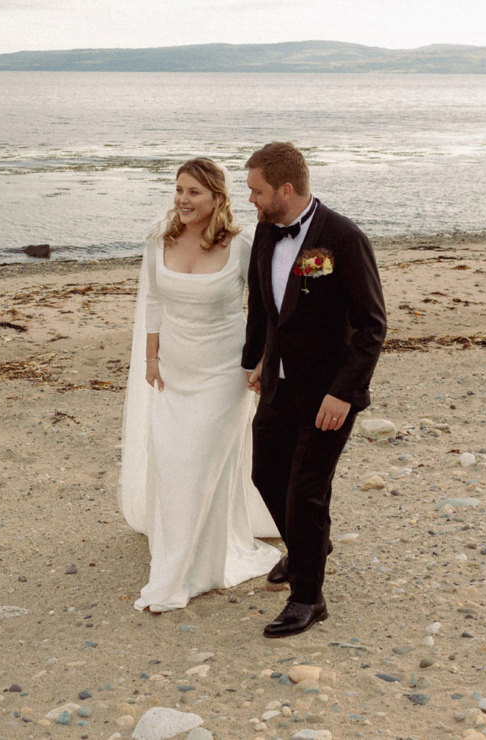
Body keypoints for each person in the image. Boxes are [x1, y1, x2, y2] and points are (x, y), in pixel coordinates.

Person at [120, 157, 279, 613]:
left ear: (216, 197)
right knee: (173, 466)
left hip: (223, 373)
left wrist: (262, 361)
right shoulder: (159, 238)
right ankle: (200, 558)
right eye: (178, 190)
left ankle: (177, 575)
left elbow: (265, 307)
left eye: (193, 192)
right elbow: (152, 299)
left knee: (199, 467)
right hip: (174, 369)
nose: (183, 200)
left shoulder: (241, 244)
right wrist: (151, 357)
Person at [242, 142, 386, 637]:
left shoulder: (343, 238)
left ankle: (308, 598)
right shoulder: (267, 230)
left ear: (285, 189)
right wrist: (255, 359)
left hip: (329, 395)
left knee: (306, 492)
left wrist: (344, 392)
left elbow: (372, 325)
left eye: (257, 191)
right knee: (265, 475)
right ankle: (309, 547)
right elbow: (262, 304)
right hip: (278, 383)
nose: (252, 200)